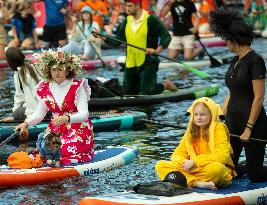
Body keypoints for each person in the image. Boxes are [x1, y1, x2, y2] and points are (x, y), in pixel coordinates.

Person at [210, 9, 267, 182]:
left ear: (234, 39)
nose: (225, 43)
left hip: (254, 125)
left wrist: (248, 128)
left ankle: (253, 169)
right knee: (227, 169)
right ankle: (247, 167)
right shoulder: (236, 61)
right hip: (232, 123)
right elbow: (231, 93)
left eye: (226, 39)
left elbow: (259, 97)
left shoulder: (255, 60)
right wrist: (218, 116)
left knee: (255, 176)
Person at [15, 50, 94, 165]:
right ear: (49, 71)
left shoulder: (78, 86)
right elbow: (39, 114)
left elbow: (84, 114)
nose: (57, 72)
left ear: (67, 70)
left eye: (60, 69)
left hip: (78, 129)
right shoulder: (45, 88)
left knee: (62, 151)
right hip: (55, 130)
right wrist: (26, 123)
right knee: (44, 150)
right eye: (54, 69)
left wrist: (67, 118)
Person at [94, 0, 177, 95]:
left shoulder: (151, 19)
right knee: (129, 93)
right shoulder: (127, 21)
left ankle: (165, 85)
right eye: (126, 6)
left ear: (138, 5)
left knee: (147, 92)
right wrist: (102, 36)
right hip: (130, 62)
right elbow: (117, 40)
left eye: (129, 5)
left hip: (148, 62)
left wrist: (157, 50)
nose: (127, 8)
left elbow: (166, 36)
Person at [155, 97, 236, 190]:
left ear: (211, 115)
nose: (198, 117)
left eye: (203, 114)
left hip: (209, 168)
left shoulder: (219, 128)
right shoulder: (191, 129)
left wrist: (195, 162)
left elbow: (222, 157)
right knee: (160, 165)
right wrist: (184, 163)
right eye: (196, 114)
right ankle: (197, 183)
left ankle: (185, 180)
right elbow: (178, 153)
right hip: (193, 170)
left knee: (216, 170)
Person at [0, 47, 41, 122]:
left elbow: (29, 97)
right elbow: (20, 95)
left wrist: (17, 116)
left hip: (38, 108)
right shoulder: (29, 66)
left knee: (17, 113)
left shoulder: (23, 74)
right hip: (42, 105)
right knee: (17, 112)